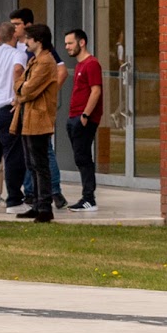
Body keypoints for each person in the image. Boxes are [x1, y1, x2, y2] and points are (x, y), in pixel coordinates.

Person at [12, 26, 62, 222]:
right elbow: (20, 84)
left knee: (40, 165)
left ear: (38, 40)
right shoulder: (34, 61)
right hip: (27, 119)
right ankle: (35, 204)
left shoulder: (46, 62)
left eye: (29, 39)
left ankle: (45, 208)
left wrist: (21, 88)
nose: (25, 42)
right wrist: (21, 87)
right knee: (31, 164)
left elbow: (28, 89)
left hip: (39, 120)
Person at [0, 12, 32, 208]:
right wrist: (17, 95)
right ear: (13, 35)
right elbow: (18, 70)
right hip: (8, 108)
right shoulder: (17, 53)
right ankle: (13, 198)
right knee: (13, 155)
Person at [61, 28, 103, 212]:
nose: (67, 47)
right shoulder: (79, 65)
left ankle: (89, 198)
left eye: (70, 43)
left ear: (82, 42)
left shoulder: (91, 64)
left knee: (83, 158)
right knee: (80, 157)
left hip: (83, 118)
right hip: (74, 117)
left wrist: (85, 116)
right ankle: (87, 197)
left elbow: (96, 91)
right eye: (66, 44)